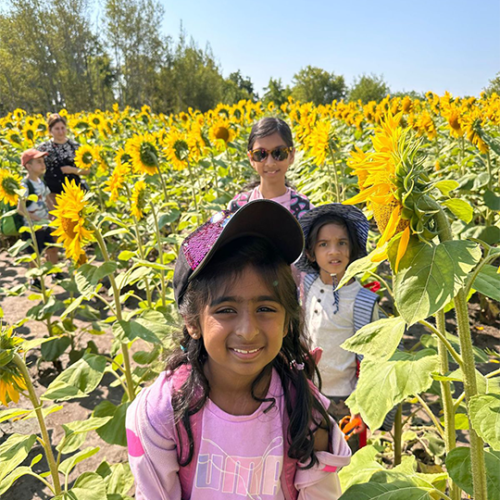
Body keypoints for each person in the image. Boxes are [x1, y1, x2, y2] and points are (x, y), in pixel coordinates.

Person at [126, 200, 351, 500]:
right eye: (227, 309)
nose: (248, 330)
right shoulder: (162, 411)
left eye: (266, 308)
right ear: (193, 322)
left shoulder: (303, 411)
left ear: (287, 321)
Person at [296, 204, 383, 450]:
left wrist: (366, 404)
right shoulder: (306, 286)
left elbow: (373, 357)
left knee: (346, 458)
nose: (334, 251)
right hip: (308, 390)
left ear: (353, 250)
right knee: (310, 455)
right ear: (311, 253)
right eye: (323, 244)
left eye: (342, 243)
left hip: (346, 398)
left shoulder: (362, 300)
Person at [228, 117, 312, 219]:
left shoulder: (306, 211)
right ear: (251, 159)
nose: (270, 163)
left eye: (279, 152)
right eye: (261, 154)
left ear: (292, 155)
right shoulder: (237, 208)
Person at [17, 149, 62, 290]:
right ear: (28, 166)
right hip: (32, 227)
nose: (43, 165)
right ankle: (34, 280)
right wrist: (35, 218)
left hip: (45, 223)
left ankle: (55, 273)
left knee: (52, 248)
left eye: (43, 162)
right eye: (39, 162)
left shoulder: (40, 182)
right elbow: (20, 208)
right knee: (35, 254)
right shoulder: (24, 185)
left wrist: (55, 212)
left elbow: (48, 199)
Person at [37, 113, 89, 203]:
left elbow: (87, 170)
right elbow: (36, 170)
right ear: (50, 130)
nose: (61, 132)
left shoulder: (75, 146)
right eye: (57, 129)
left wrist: (72, 170)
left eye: (62, 128)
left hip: (75, 194)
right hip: (53, 195)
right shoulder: (43, 148)